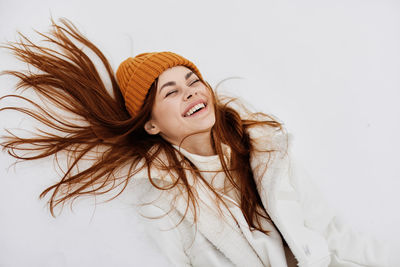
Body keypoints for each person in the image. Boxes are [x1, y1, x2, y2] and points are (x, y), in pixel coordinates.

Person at [0, 19, 390, 267]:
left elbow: (331, 232)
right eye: (171, 92)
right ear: (151, 125)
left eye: (193, 80)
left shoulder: (267, 147)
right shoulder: (162, 197)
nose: (190, 92)